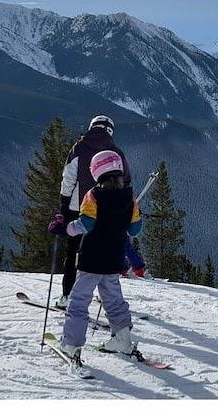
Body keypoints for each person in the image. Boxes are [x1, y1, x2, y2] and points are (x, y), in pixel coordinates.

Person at [49, 150, 142, 362]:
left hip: (91, 258)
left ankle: (71, 344)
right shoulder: (130, 197)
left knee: (79, 300)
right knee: (114, 300)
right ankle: (123, 339)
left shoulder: (93, 195)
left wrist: (63, 229)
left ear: (96, 171)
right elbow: (135, 230)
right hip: (114, 259)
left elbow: (84, 225)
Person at [54, 115, 131, 308]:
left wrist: (63, 206)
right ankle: (106, 298)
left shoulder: (78, 148)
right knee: (102, 252)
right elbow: (126, 181)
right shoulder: (116, 152)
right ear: (110, 131)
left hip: (77, 206)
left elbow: (68, 179)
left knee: (72, 253)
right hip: (107, 210)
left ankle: (67, 296)